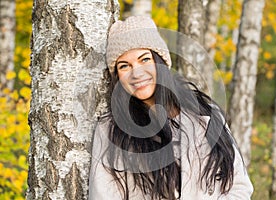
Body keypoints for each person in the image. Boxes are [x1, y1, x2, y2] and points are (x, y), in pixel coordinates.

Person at [89, 16, 253, 200]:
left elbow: (239, 187)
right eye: (124, 66)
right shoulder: (110, 131)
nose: (137, 73)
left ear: (160, 61)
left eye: (144, 60)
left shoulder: (205, 114)